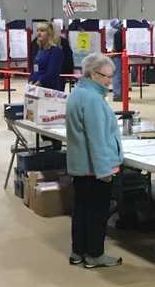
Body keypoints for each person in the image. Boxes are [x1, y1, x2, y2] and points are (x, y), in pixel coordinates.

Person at [65, 53, 124, 269]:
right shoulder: (92, 100)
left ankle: (78, 251)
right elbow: (97, 139)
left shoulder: (78, 93)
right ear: (92, 74)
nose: (110, 81)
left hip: (81, 167)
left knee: (81, 209)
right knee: (97, 212)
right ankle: (95, 254)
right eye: (106, 76)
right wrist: (105, 170)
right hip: (94, 169)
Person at [29, 22, 66, 91]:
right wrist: (31, 80)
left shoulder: (55, 51)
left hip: (49, 89)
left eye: (42, 31)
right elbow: (34, 69)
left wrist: (39, 82)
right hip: (36, 87)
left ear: (49, 34)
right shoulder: (39, 50)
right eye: (38, 30)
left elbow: (52, 72)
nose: (39, 33)